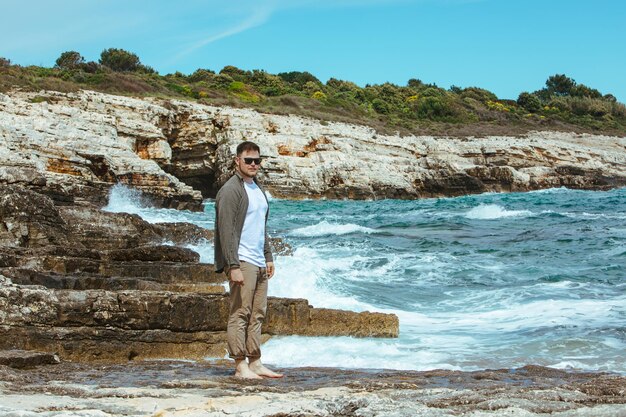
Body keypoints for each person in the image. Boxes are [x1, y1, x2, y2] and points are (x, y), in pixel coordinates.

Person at [214, 141, 283, 379]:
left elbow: (260, 227)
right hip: (241, 260)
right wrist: (232, 265)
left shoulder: (258, 189)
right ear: (237, 161)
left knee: (258, 313)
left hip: (258, 261)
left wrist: (268, 256)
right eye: (248, 160)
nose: (253, 165)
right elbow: (226, 230)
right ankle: (240, 365)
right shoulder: (230, 191)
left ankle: (255, 361)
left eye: (257, 161)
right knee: (240, 313)